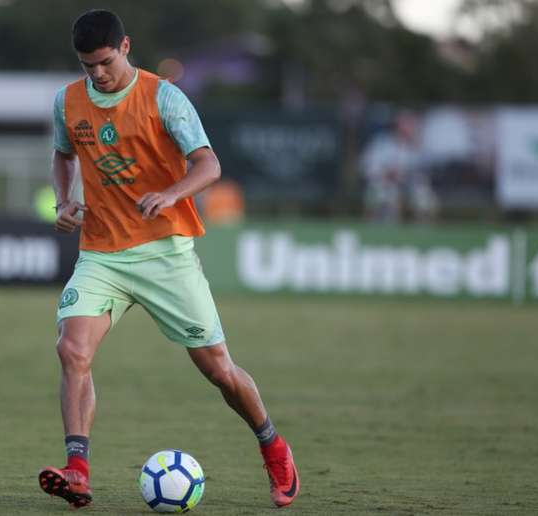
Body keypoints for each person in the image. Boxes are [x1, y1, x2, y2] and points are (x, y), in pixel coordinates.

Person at [38, 9, 299, 509]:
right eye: (87, 65)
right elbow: (63, 153)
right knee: (72, 351)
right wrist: (64, 200)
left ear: (126, 47)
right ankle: (77, 471)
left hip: (166, 254)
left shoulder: (164, 97)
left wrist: (171, 193)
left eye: (105, 62)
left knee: (220, 371)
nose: (97, 74)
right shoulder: (67, 102)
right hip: (102, 254)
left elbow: (209, 164)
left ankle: (273, 447)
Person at [360, 110, 438, 222]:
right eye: (406, 124)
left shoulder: (419, 146)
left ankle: (423, 229)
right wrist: (386, 174)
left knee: (423, 196)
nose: (410, 128)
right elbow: (368, 166)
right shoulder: (382, 143)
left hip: (410, 184)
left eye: (412, 125)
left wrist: (417, 148)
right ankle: (381, 227)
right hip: (385, 183)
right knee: (384, 194)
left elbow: (427, 169)